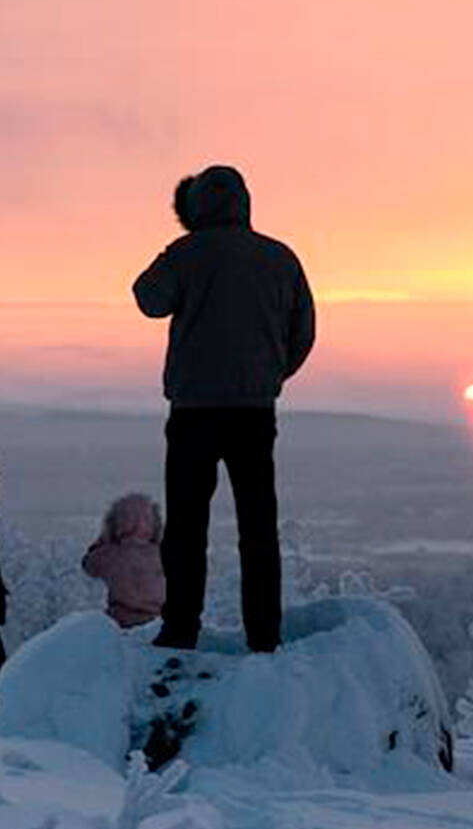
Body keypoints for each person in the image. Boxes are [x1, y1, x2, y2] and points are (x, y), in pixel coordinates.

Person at [132, 165, 315, 653]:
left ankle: (180, 629)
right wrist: (270, 376)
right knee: (258, 526)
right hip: (254, 411)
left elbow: (148, 299)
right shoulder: (280, 258)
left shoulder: (188, 254)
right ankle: (263, 634)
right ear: (245, 203)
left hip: (193, 409)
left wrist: (180, 249)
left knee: (187, 526)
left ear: (195, 208)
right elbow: (303, 332)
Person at [82, 493, 165, 628]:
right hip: (159, 622)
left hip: (121, 622)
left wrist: (103, 539)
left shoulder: (109, 555)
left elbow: (88, 566)